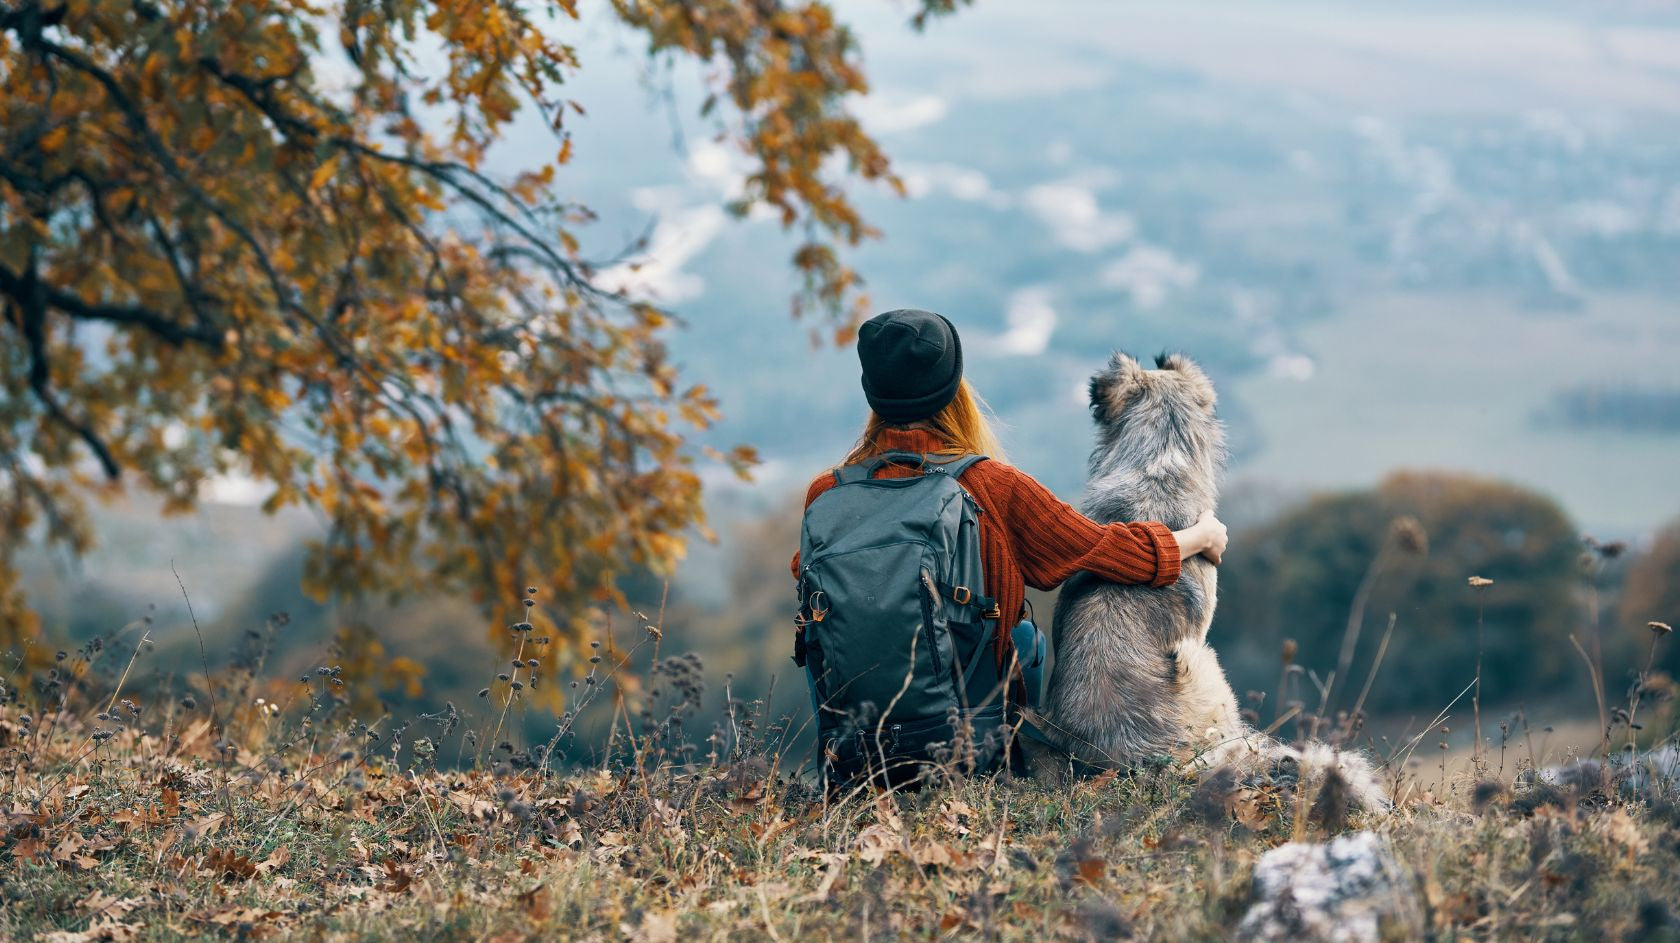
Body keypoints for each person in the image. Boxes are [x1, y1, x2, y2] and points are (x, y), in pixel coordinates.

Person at [789, 308, 1228, 751]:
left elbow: (806, 577)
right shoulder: (993, 485)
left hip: (854, 745)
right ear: (954, 387)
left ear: (872, 391)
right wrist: (1199, 537)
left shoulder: (826, 493)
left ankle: (851, 747)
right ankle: (1004, 753)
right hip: (965, 741)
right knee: (1023, 636)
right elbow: (1106, 550)